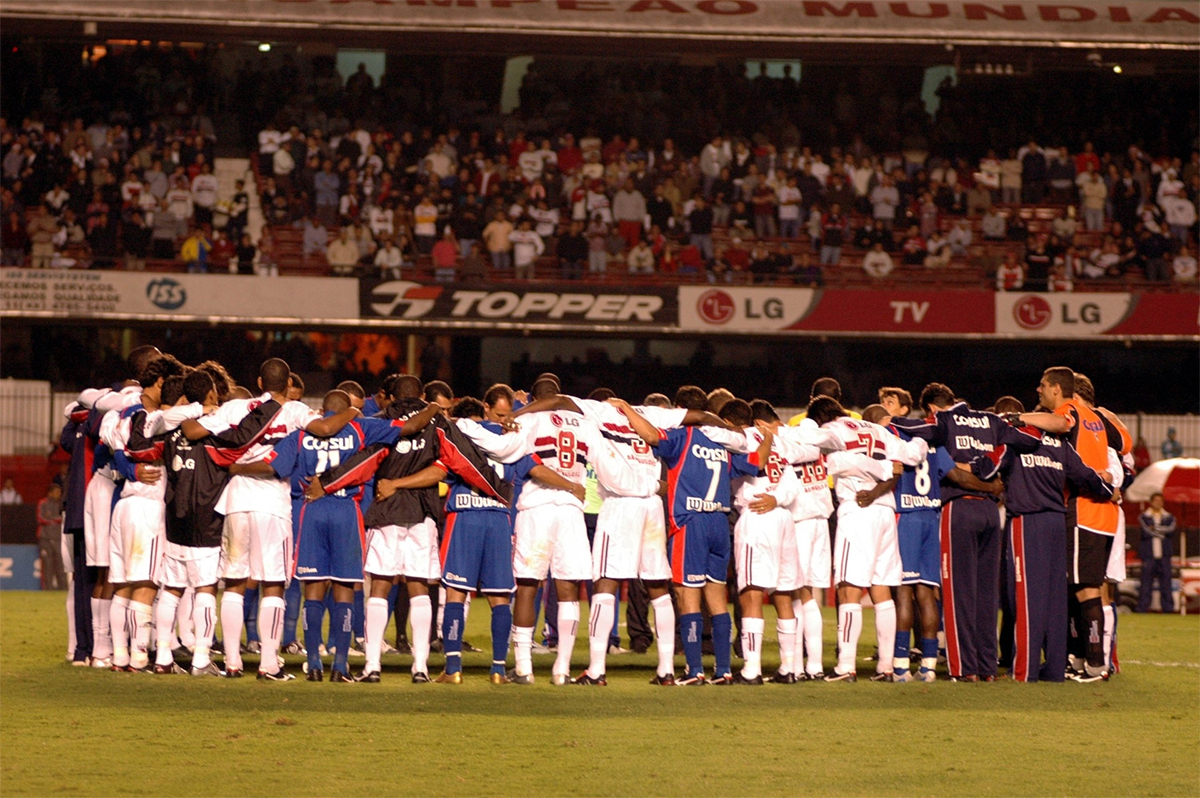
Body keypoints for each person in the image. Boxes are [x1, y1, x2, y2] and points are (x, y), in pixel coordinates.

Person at [165, 358, 360, 679]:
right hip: (272, 503)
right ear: (287, 385)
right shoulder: (295, 411)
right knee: (272, 585)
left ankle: (231, 662)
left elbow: (193, 430)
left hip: (236, 501)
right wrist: (352, 410)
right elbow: (325, 428)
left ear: (259, 382)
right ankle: (269, 663)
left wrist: (201, 411)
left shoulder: (237, 408)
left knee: (235, 583)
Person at [890, 382, 1041, 681]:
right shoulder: (991, 420)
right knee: (987, 594)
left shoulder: (942, 421)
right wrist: (990, 468)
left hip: (957, 510)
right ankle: (987, 667)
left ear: (932, 409)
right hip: (989, 511)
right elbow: (1029, 441)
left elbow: (901, 424)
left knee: (959, 593)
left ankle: (965, 668)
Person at [984, 396, 1114, 682]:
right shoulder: (1062, 445)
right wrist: (1108, 489)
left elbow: (987, 468)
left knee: (1026, 598)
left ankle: (1024, 670)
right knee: (1056, 600)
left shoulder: (1016, 439)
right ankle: (1055, 669)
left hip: (1027, 522)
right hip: (1058, 522)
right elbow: (1086, 476)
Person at [807, 397, 927, 682]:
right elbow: (914, 453)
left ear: (822, 418)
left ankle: (845, 666)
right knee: (881, 589)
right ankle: (886, 667)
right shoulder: (879, 431)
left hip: (857, 509)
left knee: (849, 589)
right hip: (886, 512)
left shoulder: (834, 430)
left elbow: (822, 453)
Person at [1138, 493, 1176, 613]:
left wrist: (1155, 528)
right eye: (1156, 500)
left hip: (1164, 556)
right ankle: (1143, 608)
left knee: (1166, 583)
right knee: (1145, 584)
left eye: (1161, 501)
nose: (1158, 503)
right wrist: (1161, 531)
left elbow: (1171, 530)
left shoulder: (1169, 517)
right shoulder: (1144, 516)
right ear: (1151, 502)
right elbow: (1146, 532)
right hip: (1149, 556)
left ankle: (1168, 608)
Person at [37, 484, 66, 590]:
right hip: (46, 539)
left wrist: (52, 519)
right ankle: (47, 589)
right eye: (56, 492)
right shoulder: (43, 503)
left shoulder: (61, 504)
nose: (59, 494)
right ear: (50, 493)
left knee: (61, 566)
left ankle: (63, 589)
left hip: (59, 539)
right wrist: (56, 520)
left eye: (60, 492)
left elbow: (63, 519)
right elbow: (41, 518)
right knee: (47, 567)